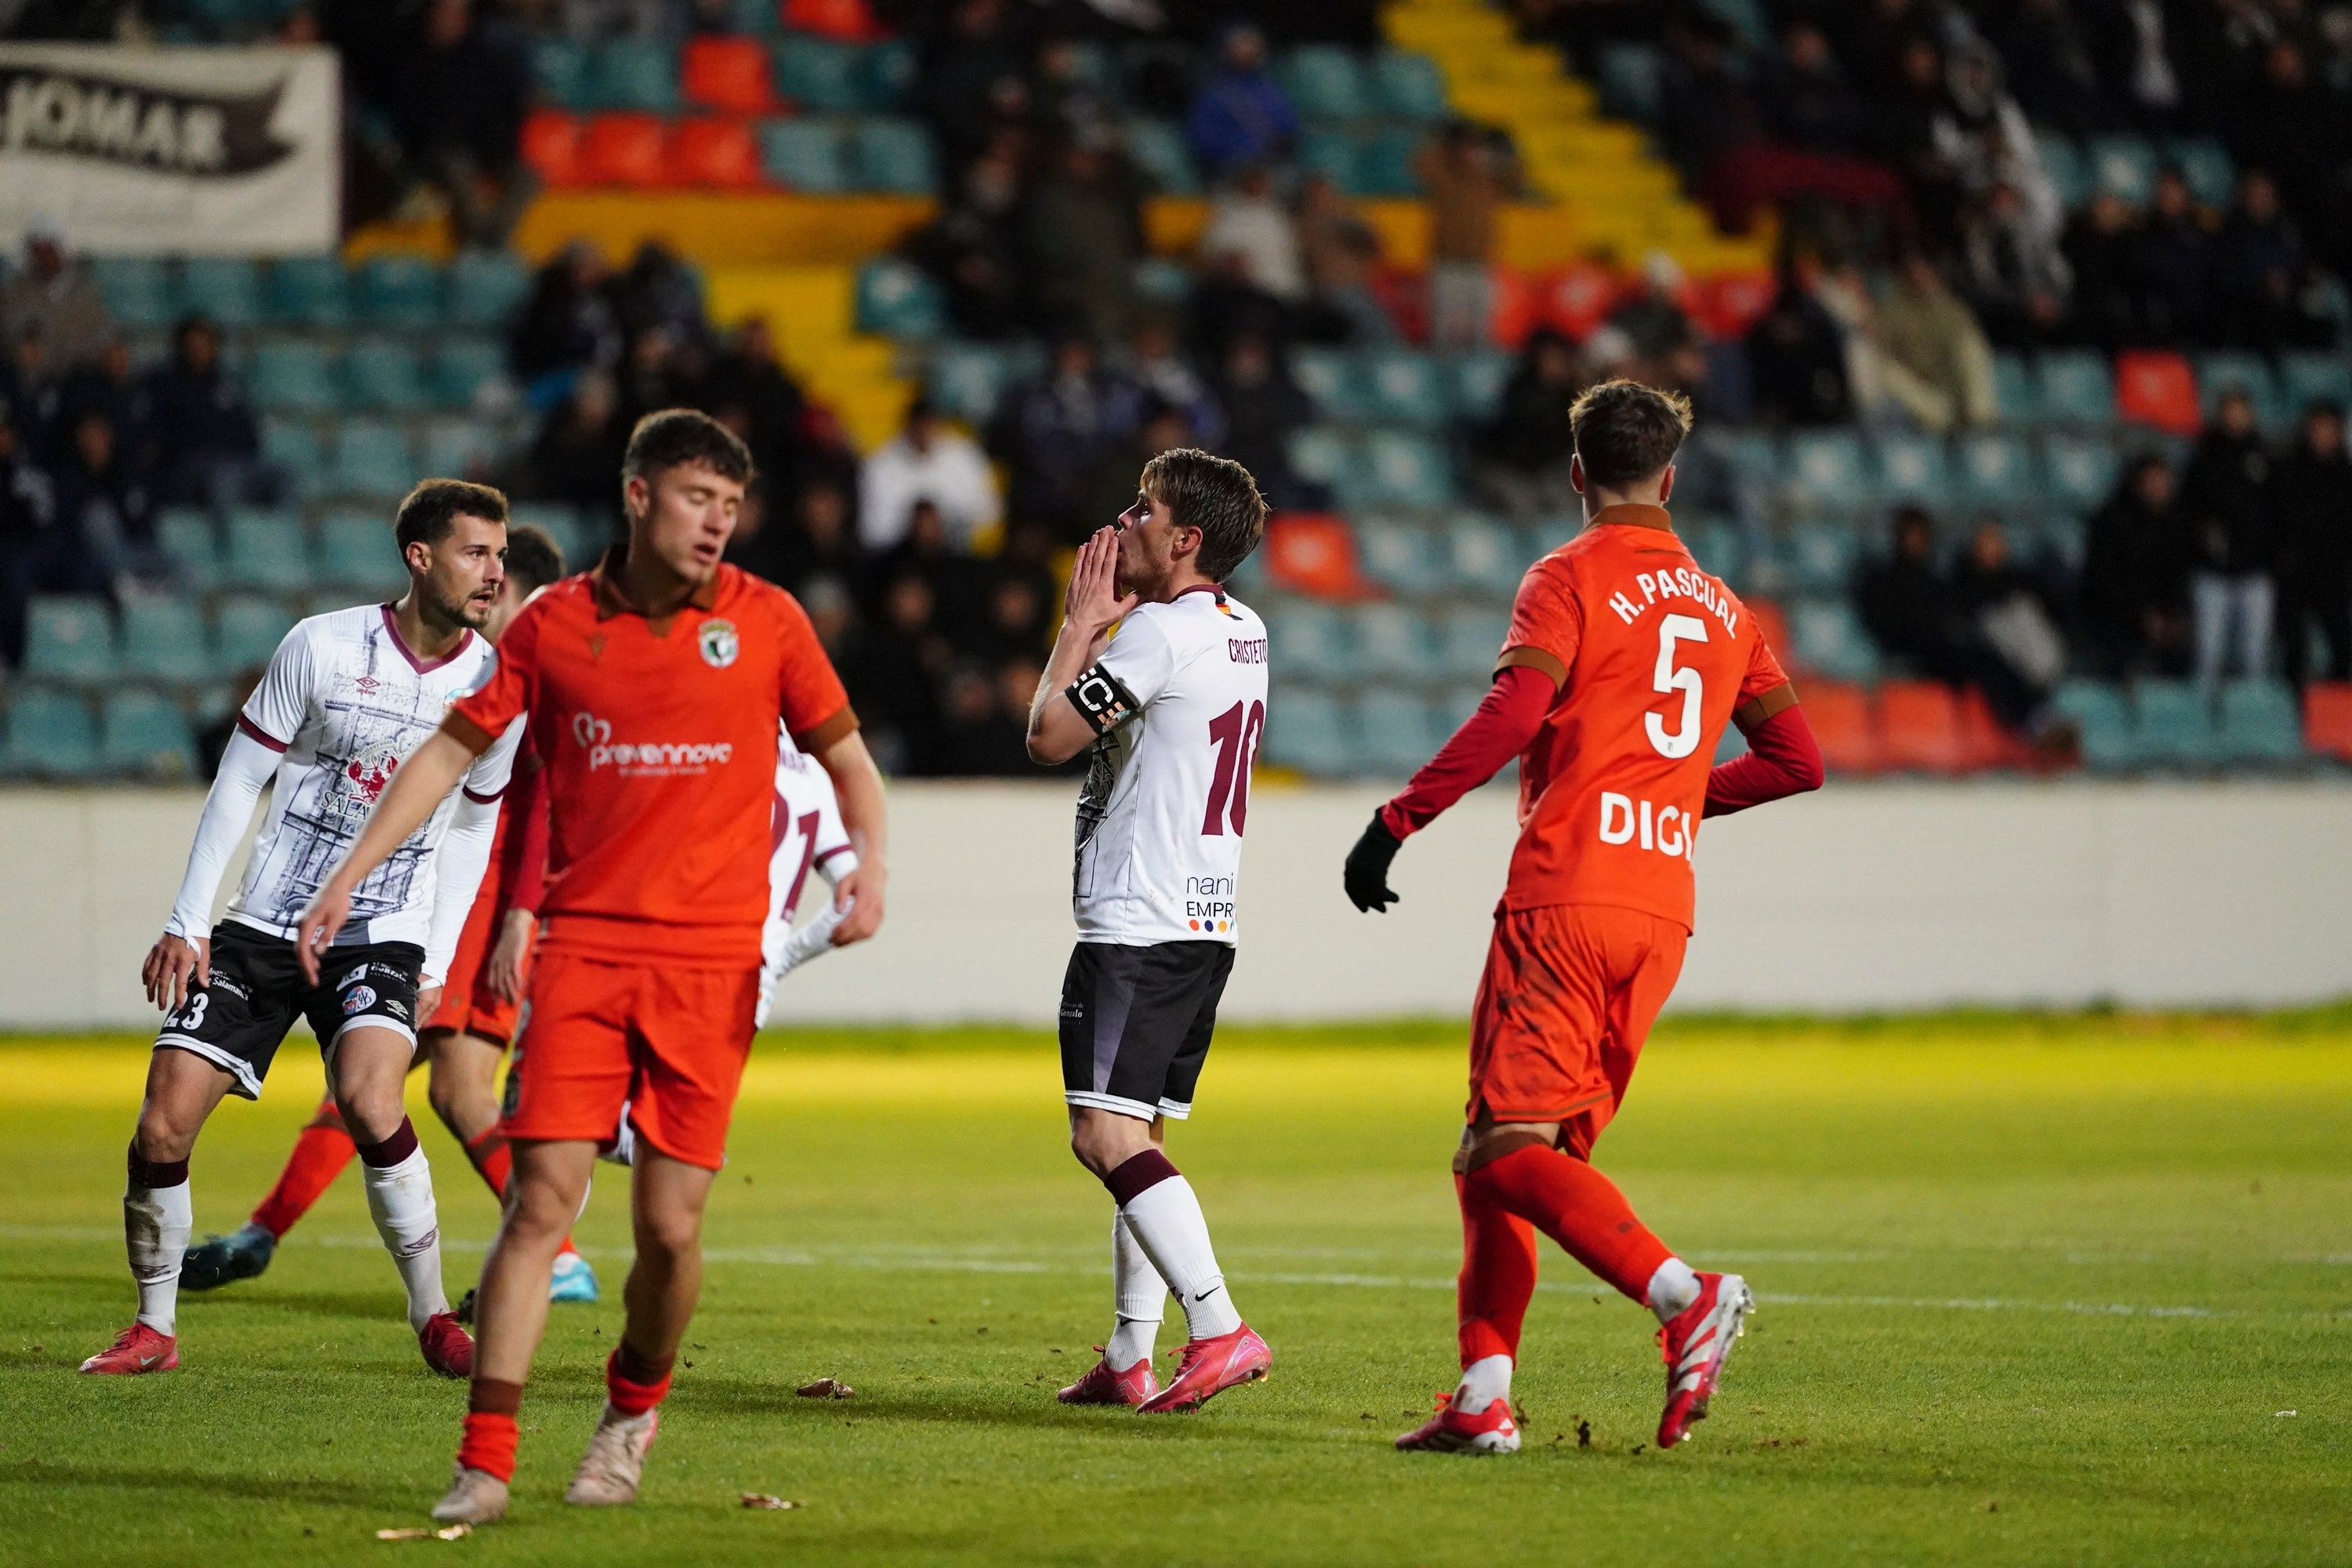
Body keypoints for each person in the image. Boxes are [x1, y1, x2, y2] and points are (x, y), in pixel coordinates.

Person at [290, 410, 887, 1525]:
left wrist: (872, 871)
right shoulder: (553, 627)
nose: (718, 521)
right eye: (697, 497)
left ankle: (631, 1408)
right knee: (536, 1203)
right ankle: (485, 1460)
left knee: (667, 1232)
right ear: (638, 494)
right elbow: (451, 755)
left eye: (730, 503)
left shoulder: (767, 622)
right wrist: (347, 877)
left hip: (709, 968)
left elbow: (847, 755)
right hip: (584, 953)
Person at [1341, 379, 1824, 1455]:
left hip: (1566, 894)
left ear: (1575, 474)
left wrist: (1400, 815)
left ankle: (1682, 1294)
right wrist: (1676, 791)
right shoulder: (1724, 606)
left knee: (1504, 1151)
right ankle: (1482, 1398)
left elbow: (1517, 710)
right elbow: (1800, 761)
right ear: (1672, 476)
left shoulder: (1567, 575)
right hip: (1660, 912)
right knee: (1512, 1145)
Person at [78, 481, 527, 1380]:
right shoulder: (321, 645)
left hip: (382, 932)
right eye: (476, 552)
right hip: (261, 922)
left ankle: (434, 1314)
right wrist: (188, 922)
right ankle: (155, 1327)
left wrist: (434, 957)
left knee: (371, 1097)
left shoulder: (496, 684)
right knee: (164, 1120)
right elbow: (238, 781)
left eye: (501, 555)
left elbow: (475, 825)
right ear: (420, 556)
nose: (495, 572)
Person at [174, 528, 599, 1305]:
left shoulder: (527, 672)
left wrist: (523, 914)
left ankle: (557, 1248)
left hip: (483, 906)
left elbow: (538, 798)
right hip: (438, 902)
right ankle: (265, 1230)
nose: (482, 594)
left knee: (449, 1089)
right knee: (372, 1085)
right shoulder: (480, 675)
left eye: (493, 582)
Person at [1025, 448, 1275, 1414]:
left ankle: (1219, 1326)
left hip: (1140, 921)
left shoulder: (1160, 634)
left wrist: (1079, 626)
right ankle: (1133, 1350)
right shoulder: (1243, 626)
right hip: (1206, 918)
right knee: (1141, 1136)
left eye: (1143, 509)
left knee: (1102, 1134)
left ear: (1185, 539)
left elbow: (1047, 734)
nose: (1122, 522)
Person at [2179, 387, 2277, 684]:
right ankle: (2200, 723)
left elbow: (2279, 512)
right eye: (2230, 411)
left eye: (2241, 411)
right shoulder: (2203, 458)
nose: (2235, 418)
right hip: (2212, 575)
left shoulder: (2266, 458)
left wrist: (2272, 557)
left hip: (2256, 573)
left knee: (2254, 660)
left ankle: (2251, 725)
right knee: (2208, 657)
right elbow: (2189, 512)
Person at [2078, 455, 2194, 676]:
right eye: (2154, 480)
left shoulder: (2175, 525)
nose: (2161, 487)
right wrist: (2142, 616)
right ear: (2138, 483)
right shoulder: (2111, 522)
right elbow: (2102, 582)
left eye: (2164, 480)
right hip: (2115, 618)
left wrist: (2172, 615)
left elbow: (2177, 577)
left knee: (2182, 652)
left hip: (2159, 618)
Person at [2274, 401, 2352, 685]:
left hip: (2334, 577)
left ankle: (2335, 715)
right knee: (2295, 650)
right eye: (2317, 428)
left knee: (2341, 648)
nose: (2322, 435)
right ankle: (2292, 713)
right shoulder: (2288, 472)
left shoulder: (2346, 475)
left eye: (2329, 429)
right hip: (2294, 575)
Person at [858, 396, 1001, 551]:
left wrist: (944, 525)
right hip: (900, 558)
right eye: (920, 424)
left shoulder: (965, 456)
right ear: (908, 426)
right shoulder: (880, 465)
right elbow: (873, 531)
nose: (925, 431)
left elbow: (988, 512)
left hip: (958, 553)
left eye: (930, 424)